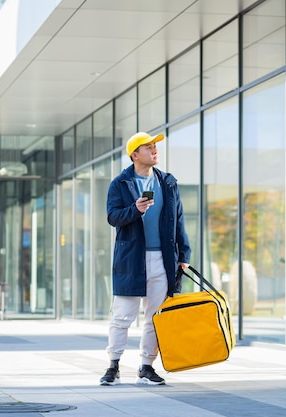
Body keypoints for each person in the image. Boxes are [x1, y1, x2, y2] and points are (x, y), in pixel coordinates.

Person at [99, 131, 191, 386]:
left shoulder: (168, 182)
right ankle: (114, 365)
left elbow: (179, 219)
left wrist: (184, 255)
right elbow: (112, 217)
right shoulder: (120, 183)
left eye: (155, 146)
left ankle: (146, 366)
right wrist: (134, 209)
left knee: (156, 316)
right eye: (148, 147)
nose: (154, 150)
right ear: (134, 155)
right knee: (122, 315)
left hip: (163, 259)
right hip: (131, 259)